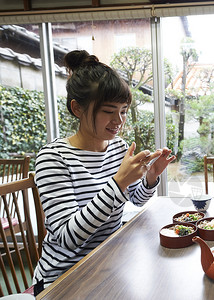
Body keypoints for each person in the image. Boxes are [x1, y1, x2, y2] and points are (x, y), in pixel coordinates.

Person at [32, 50, 176, 295]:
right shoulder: (53, 158)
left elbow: (134, 199)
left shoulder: (118, 147)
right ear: (77, 109)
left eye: (123, 110)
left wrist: (151, 177)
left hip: (108, 261)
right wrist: (118, 183)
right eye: (109, 111)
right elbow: (70, 238)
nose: (118, 120)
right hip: (63, 277)